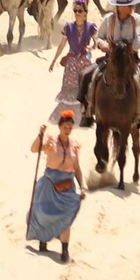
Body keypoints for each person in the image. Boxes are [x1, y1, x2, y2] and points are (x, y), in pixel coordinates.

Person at [74, 0, 140, 129]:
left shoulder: (137, 20)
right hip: (110, 58)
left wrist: (123, 48)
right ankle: (87, 111)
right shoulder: (108, 20)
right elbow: (99, 36)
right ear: (120, 7)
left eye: (132, 5)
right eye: (129, 5)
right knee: (85, 74)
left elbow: (138, 42)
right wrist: (103, 44)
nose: (132, 8)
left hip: (130, 59)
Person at [26, 111, 87, 263]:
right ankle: (43, 240)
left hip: (67, 186)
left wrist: (82, 187)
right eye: (65, 126)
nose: (68, 129)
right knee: (44, 214)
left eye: (70, 127)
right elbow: (34, 149)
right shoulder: (51, 141)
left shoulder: (74, 146)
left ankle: (64, 250)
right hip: (49, 183)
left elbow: (77, 169)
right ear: (59, 127)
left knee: (66, 217)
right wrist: (40, 135)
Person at [47, 0, 96, 122]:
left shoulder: (91, 27)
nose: (77, 14)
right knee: (70, 90)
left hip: (85, 62)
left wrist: (90, 47)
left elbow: (96, 44)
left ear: (85, 13)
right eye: (75, 11)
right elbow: (62, 45)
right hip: (71, 64)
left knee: (85, 89)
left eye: (80, 11)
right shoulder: (68, 27)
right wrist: (54, 61)